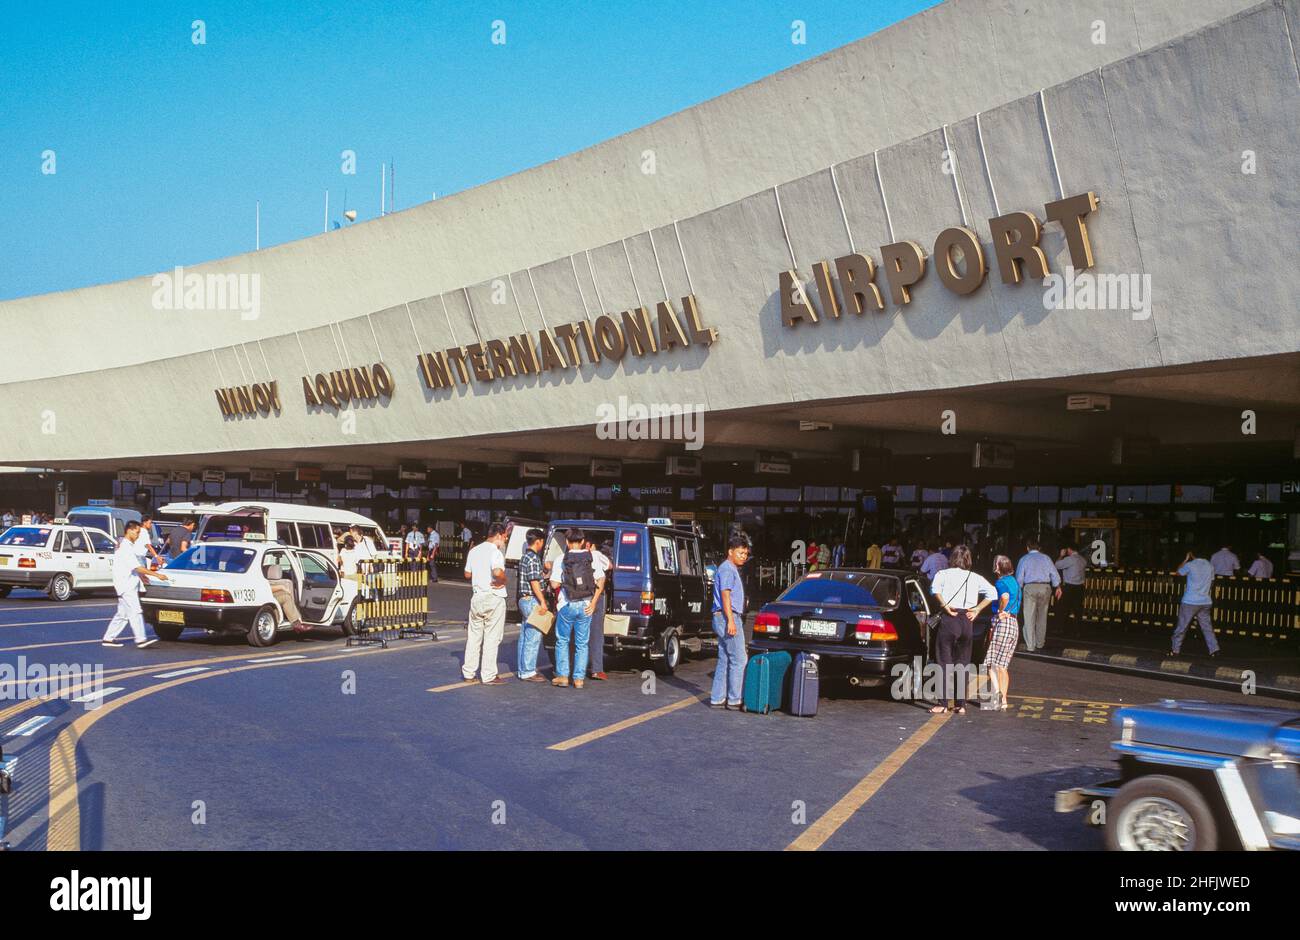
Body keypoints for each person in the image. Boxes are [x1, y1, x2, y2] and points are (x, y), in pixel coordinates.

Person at [928, 545, 996, 715]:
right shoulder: (975, 577)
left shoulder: (943, 574)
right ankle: (961, 704)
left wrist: (945, 607)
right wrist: (977, 609)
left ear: (952, 558)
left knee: (944, 662)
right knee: (963, 662)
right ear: (968, 560)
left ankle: (943, 703)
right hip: (967, 620)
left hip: (950, 618)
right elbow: (992, 593)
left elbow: (934, 590)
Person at [549, 527, 605, 689]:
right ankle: (579, 679)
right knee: (582, 643)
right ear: (582, 542)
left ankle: (563, 676)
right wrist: (594, 603)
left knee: (563, 641)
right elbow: (600, 582)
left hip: (567, 604)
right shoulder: (592, 557)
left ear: (566, 542)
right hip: (586, 605)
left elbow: (554, 584)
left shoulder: (561, 558)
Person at [101, 521, 169, 648]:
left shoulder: (127, 546)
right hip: (126, 585)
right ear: (130, 530)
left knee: (123, 614)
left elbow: (132, 567)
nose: (138, 536)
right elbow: (137, 567)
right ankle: (140, 639)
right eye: (137, 532)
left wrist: (142, 576)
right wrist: (157, 575)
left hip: (126, 584)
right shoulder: (126, 547)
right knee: (136, 611)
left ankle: (108, 638)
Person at [462, 523, 509, 685]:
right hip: (493, 596)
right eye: (504, 537)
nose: (505, 540)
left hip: (477, 597)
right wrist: (503, 580)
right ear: (498, 535)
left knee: (474, 636)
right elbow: (497, 572)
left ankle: (469, 672)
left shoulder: (474, 550)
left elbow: (467, 574)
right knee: (492, 637)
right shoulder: (495, 552)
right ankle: (488, 674)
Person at [710, 532, 751, 709]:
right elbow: (726, 595)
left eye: (745, 554)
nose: (744, 557)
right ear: (730, 551)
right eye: (740, 553)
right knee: (739, 658)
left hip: (721, 617)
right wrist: (731, 621)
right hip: (728, 616)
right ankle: (735, 699)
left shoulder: (728, 568)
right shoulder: (727, 569)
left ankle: (717, 698)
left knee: (725, 658)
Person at [984, 555, 1021, 710]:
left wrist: (1000, 610)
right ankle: (1003, 700)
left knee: (992, 664)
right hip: (1014, 623)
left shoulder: (1001, 582)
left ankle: (997, 697)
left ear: (998, 567)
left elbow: (1005, 597)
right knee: (1003, 666)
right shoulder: (1015, 582)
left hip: (1003, 623)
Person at [1171, 548, 1220, 657]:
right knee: (1207, 627)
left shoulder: (1190, 565)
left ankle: (1175, 650)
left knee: (1182, 627)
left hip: (1190, 601)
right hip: (1205, 601)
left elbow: (1178, 572)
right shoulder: (1209, 566)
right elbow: (1212, 582)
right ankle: (1214, 650)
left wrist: (1185, 559)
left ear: (1192, 554)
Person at [515, 529, 549, 683]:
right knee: (533, 636)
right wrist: (542, 601)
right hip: (531, 599)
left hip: (523, 599)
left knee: (525, 635)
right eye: (542, 542)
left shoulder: (524, 557)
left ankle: (523, 670)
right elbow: (534, 582)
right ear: (538, 542)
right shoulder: (534, 558)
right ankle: (528, 671)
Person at [1015, 539, 1061, 651]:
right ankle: (1040, 643)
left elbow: (1019, 578)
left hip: (1030, 587)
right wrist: (1058, 586)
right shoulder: (1046, 558)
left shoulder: (1024, 559)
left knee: (1029, 616)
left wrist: (1018, 589)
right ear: (1039, 548)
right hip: (1045, 587)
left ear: (1027, 547)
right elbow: (1054, 574)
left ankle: (1030, 645)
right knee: (1042, 617)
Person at [587, 537, 613, 680]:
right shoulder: (596, 554)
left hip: (576, 596)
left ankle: (573, 668)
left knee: (578, 634)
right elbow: (610, 566)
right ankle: (596, 669)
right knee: (596, 633)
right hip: (595, 595)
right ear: (590, 545)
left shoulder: (568, 556)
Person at [263, 561, 306, 632]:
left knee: (283, 594)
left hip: (264, 596)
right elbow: (266, 589)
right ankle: (296, 623)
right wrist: (281, 587)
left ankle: (295, 622)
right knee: (286, 597)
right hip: (263, 597)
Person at [1054, 543, 1087, 623]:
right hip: (1080, 587)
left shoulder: (1070, 559)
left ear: (1069, 549)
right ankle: (1077, 631)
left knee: (1063, 608)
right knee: (1078, 610)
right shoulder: (1083, 559)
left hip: (1069, 587)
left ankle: (1061, 629)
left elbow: (1057, 565)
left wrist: (1061, 556)